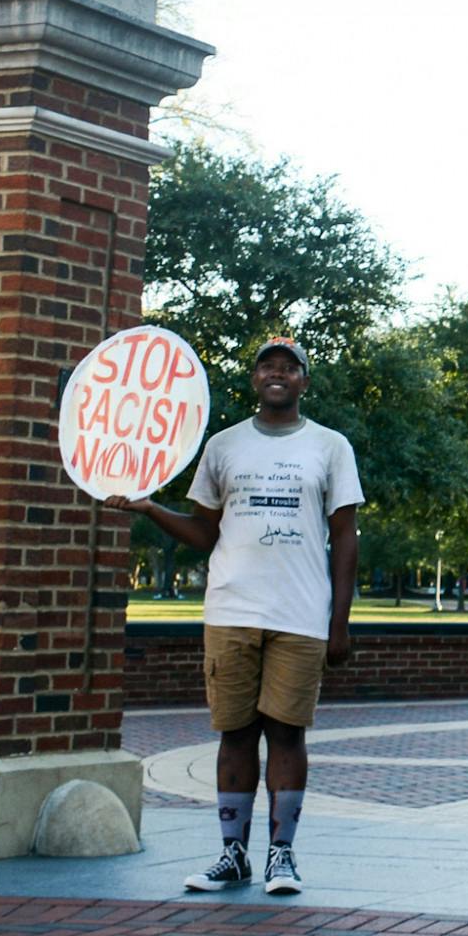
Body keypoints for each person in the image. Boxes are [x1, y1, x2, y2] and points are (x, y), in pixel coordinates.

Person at [108, 336, 362, 897]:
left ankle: (282, 856)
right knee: (235, 734)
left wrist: (338, 622)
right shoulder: (223, 446)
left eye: (288, 368)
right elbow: (204, 532)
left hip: (298, 615)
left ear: (303, 381)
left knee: (287, 733)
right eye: (267, 367)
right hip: (231, 609)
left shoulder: (330, 446)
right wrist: (151, 508)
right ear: (254, 380)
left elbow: (345, 538)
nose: (277, 374)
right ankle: (232, 854)